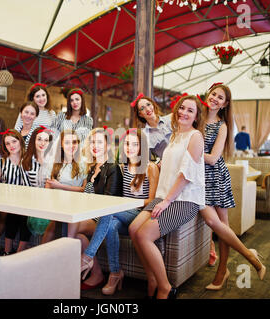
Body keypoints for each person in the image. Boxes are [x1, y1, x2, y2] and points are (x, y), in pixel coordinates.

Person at [129, 94, 205, 299]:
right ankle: (152, 276)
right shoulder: (175, 135)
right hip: (164, 194)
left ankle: (165, 286)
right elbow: (171, 163)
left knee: (144, 235)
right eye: (182, 108)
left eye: (190, 110)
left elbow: (186, 174)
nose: (184, 112)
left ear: (197, 116)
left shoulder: (195, 136)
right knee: (133, 228)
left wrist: (167, 201)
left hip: (184, 199)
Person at [198, 83, 266, 290]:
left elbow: (212, 159)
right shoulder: (196, 120)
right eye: (214, 94)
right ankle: (248, 255)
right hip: (198, 179)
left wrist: (188, 153)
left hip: (216, 177)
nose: (215, 99)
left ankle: (222, 270)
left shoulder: (222, 126)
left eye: (221, 97)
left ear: (225, 104)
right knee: (216, 225)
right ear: (207, 95)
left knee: (222, 226)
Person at [80, 128, 159, 295]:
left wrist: (126, 203)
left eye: (135, 144)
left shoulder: (150, 167)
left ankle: (88, 256)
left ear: (142, 147)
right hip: (122, 215)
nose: (130, 148)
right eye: (127, 144)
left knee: (110, 211)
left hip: (140, 215)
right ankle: (115, 273)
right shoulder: (123, 167)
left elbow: (151, 200)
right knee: (111, 224)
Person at [75, 127, 123, 290]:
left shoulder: (112, 168)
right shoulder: (91, 168)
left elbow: (109, 202)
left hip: (104, 217)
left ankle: (77, 265)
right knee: (78, 235)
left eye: (99, 142)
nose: (95, 145)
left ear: (108, 146)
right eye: (93, 142)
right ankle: (96, 274)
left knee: (71, 225)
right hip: (90, 214)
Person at [40, 129, 88, 241]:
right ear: (61, 144)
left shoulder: (84, 163)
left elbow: (83, 190)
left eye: (74, 142)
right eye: (67, 143)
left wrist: (60, 186)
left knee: (57, 228)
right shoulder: (54, 163)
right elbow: (47, 188)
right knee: (51, 229)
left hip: (75, 204)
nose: (71, 145)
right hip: (56, 204)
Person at [0, 129, 31, 255]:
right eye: (7, 143)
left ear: (20, 141)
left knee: (25, 213)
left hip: (27, 201)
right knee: (12, 212)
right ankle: (7, 251)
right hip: (8, 201)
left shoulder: (29, 160)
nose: (11, 146)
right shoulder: (1, 163)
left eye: (14, 141)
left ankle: (19, 253)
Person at [21, 126, 54, 236]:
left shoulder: (54, 162)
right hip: (31, 200)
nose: (42, 143)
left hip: (50, 202)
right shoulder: (26, 161)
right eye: (39, 139)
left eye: (46, 140)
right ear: (33, 140)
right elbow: (25, 187)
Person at [130, 93, 172, 161]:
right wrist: (157, 163)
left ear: (153, 104)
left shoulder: (171, 118)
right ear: (140, 114)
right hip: (168, 166)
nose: (147, 109)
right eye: (142, 108)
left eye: (148, 104)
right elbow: (146, 161)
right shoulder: (144, 136)